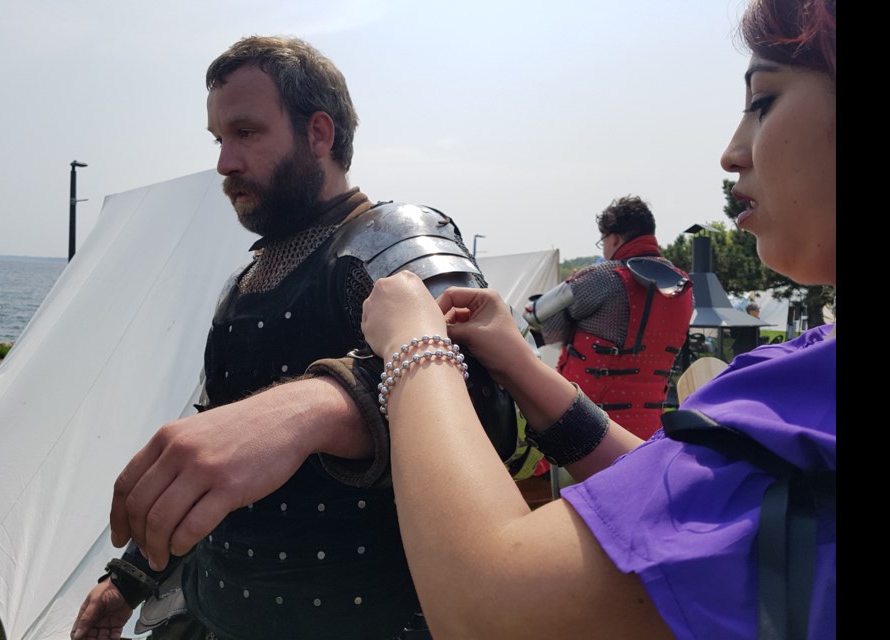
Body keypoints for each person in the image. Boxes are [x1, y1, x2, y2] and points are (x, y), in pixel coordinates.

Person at [358, 0, 835, 637]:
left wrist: (413, 344)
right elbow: (711, 500)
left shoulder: (599, 280)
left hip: (616, 418)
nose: (732, 152)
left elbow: (492, 610)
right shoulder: (683, 288)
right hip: (653, 427)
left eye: (764, 99)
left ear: (611, 238)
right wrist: (521, 366)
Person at [70, 35, 516, 640]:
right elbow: (220, 454)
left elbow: (488, 404)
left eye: (246, 133)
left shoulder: (391, 238)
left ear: (319, 134)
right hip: (216, 613)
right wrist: (128, 580)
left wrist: (321, 407)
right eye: (219, 140)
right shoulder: (243, 284)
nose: (225, 162)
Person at [523, 195, 693, 441]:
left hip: (586, 431)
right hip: (649, 434)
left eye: (603, 240)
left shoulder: (603, 277)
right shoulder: (684, 288)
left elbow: (535, 315)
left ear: (614, 238)